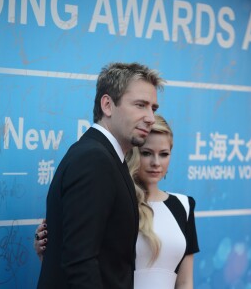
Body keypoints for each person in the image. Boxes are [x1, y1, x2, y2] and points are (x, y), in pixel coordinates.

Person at [36, 62, 164, 289]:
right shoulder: (94, 160)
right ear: (107, 105)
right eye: (140, 105)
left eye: (153, 108)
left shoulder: (108, 158)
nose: (150, 118)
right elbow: (80, 262)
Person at [35, 114, 200, 289]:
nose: (156, 163)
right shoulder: (116, 202)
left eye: (164, 154)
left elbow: (184, 282)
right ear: (133, 154)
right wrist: (49, 252)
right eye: (146, 153)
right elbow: (80, 258)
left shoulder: (184, 206)